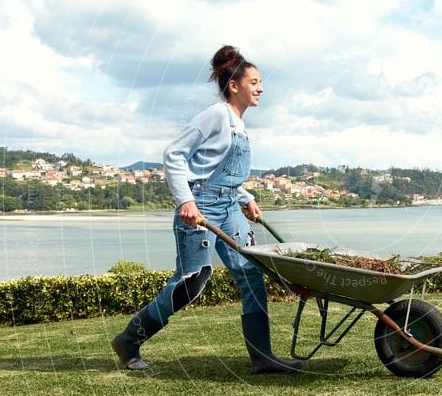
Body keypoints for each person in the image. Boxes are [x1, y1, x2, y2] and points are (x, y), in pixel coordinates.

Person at [111, 45, 303, 374]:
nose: (261, 88)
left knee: (251, 273)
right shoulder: (215, 116)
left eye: (260, 82)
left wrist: (245, 197)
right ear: (234, 85)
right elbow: (174, 155)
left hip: (227, 205)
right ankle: (129, 340)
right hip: (199, 206)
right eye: (254, 82)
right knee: (191, 282)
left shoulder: (239, 126)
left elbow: (218, 172)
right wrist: (185, 200)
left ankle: (262, 357)